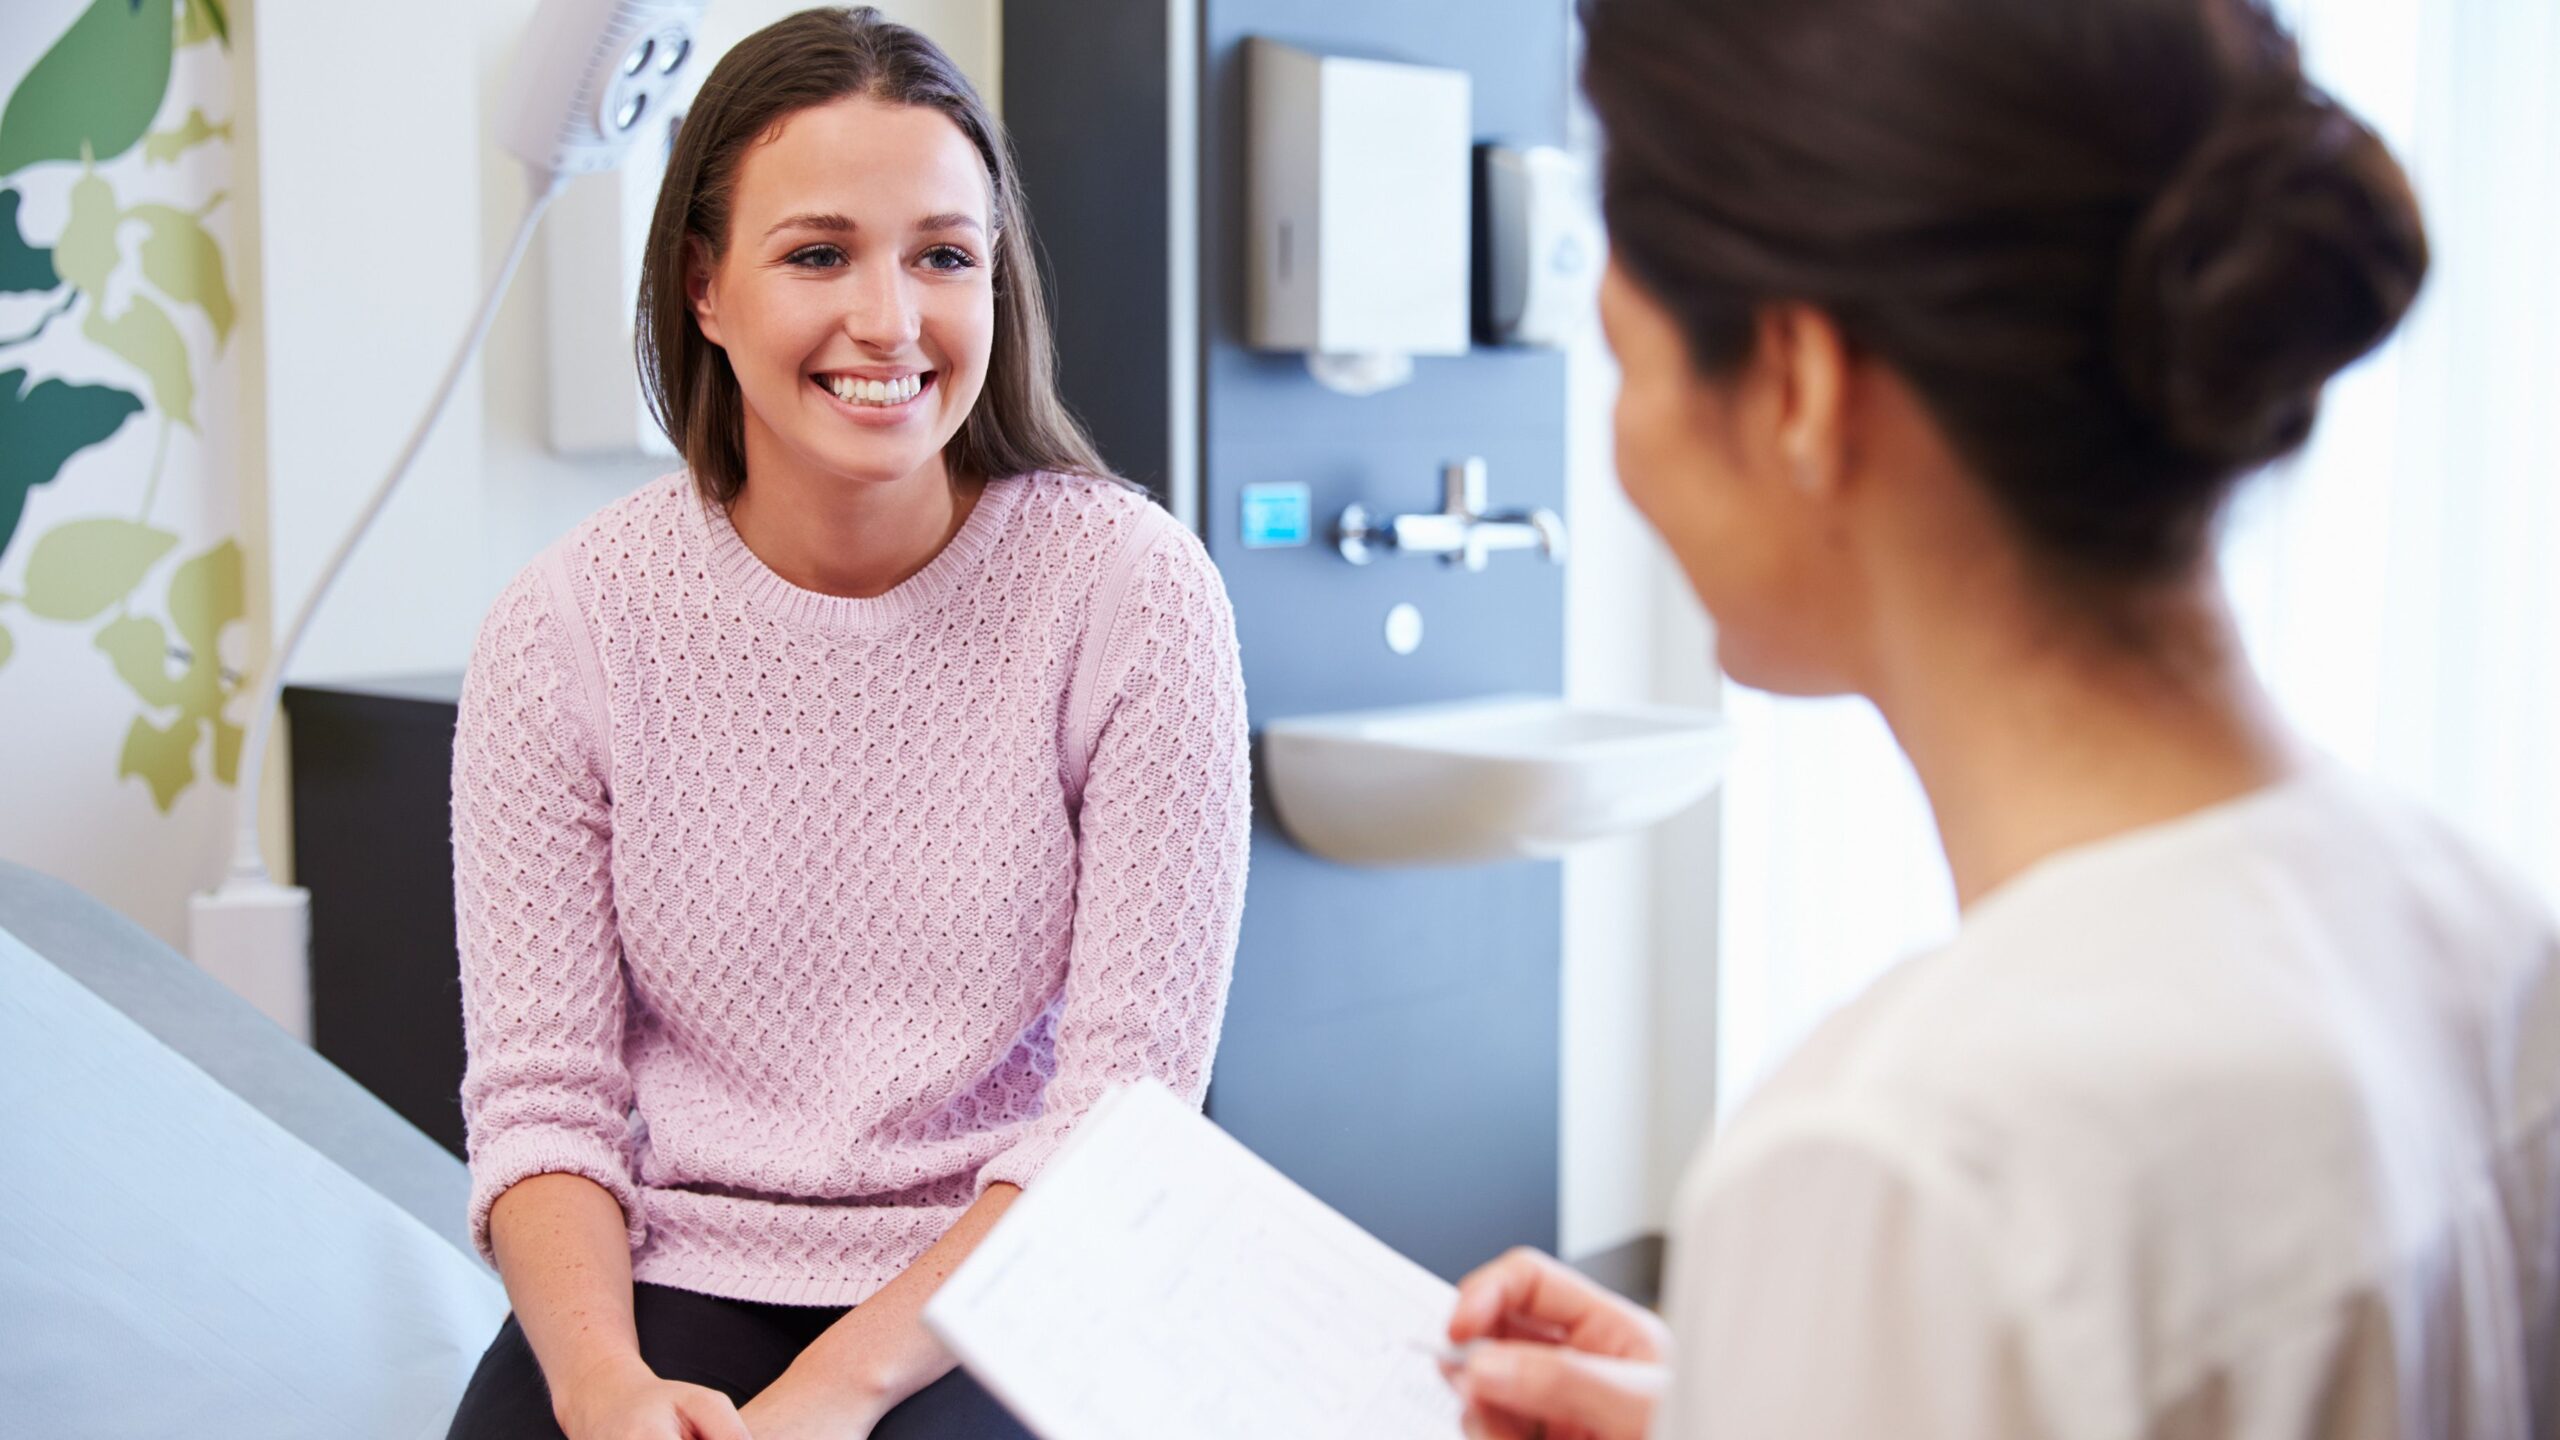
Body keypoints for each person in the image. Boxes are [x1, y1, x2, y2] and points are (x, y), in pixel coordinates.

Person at [1441, 0, 2560, 1435]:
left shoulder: (1906, 1159)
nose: (1626, 459)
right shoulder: (2477, 932)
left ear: (1797, 384)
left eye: (1626, 359)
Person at [441, 9, 1250, 1438]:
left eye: (943, 254)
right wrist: (603, 1386)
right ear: (703, 286)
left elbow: (1124, 1110)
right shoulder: (563, 629)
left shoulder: (1132, 594)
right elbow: (543, 1100)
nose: (891, 320)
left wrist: (834, 1391)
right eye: (819, 253)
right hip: (678, 1263)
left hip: (1017, 1264)